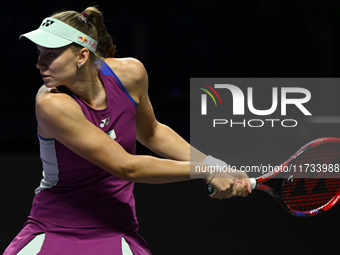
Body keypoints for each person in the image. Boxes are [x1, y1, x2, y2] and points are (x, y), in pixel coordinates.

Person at [4, 7, 252, 255]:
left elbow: (152, 132)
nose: (39, 64)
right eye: (39, 54)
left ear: (81, 56)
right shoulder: (51, 104)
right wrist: (205, 170)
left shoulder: (130, 74)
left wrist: (214, 163)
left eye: (50, 54)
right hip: (54, 229)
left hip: (117, 230)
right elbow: (127, 167)